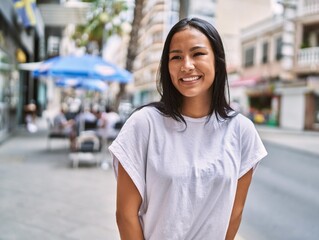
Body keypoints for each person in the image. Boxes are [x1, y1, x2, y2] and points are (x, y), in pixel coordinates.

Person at [108, 17, 268, 240]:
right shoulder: (143, 124)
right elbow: (125, 215)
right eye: (176, 57)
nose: (186, 65)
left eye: (198, 54)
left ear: (217, 61)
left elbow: (235, 212)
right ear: (167, 66)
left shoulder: (242, 131)